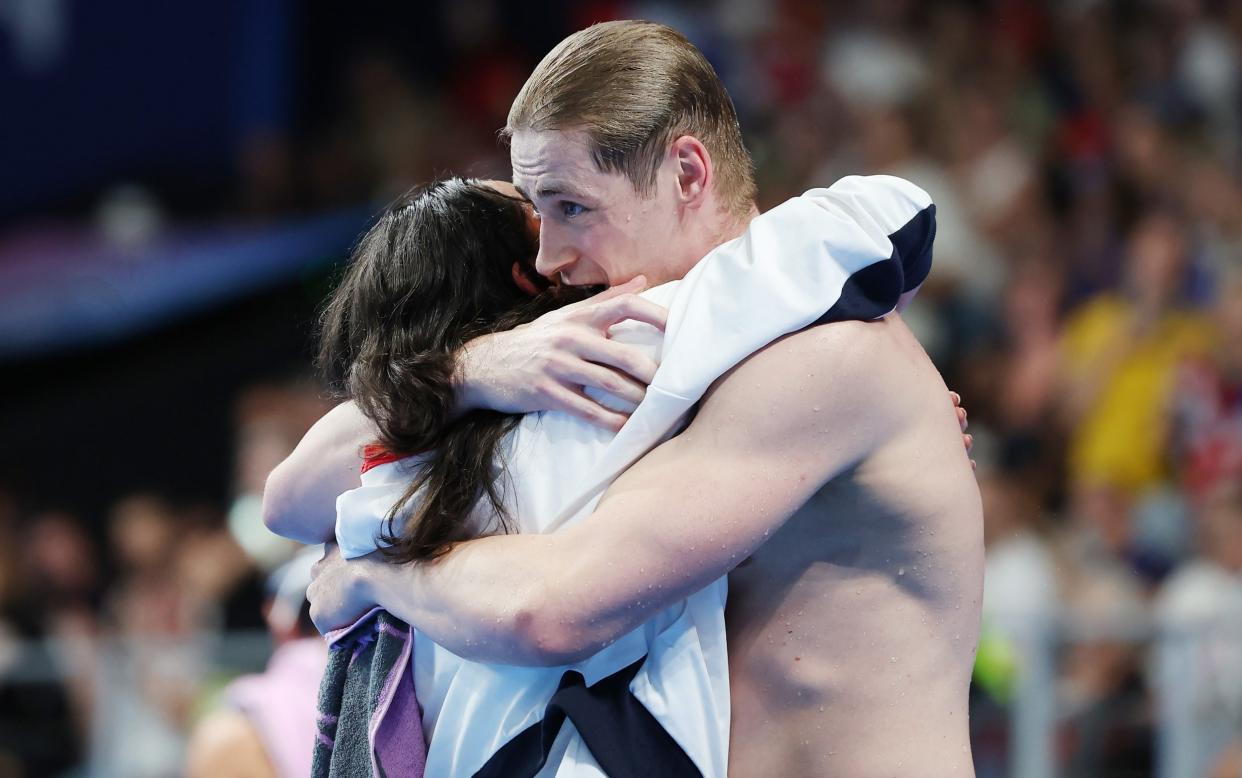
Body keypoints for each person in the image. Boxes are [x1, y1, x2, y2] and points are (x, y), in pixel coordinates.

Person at [275, 20, 983, 776]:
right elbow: (294, 492)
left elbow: (552, 610)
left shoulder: (822, 356)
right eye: (538, 213)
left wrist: (373, 568)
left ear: (686, 174)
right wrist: (471, 370)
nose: (548, 255)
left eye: (572, 207)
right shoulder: (646, 365)